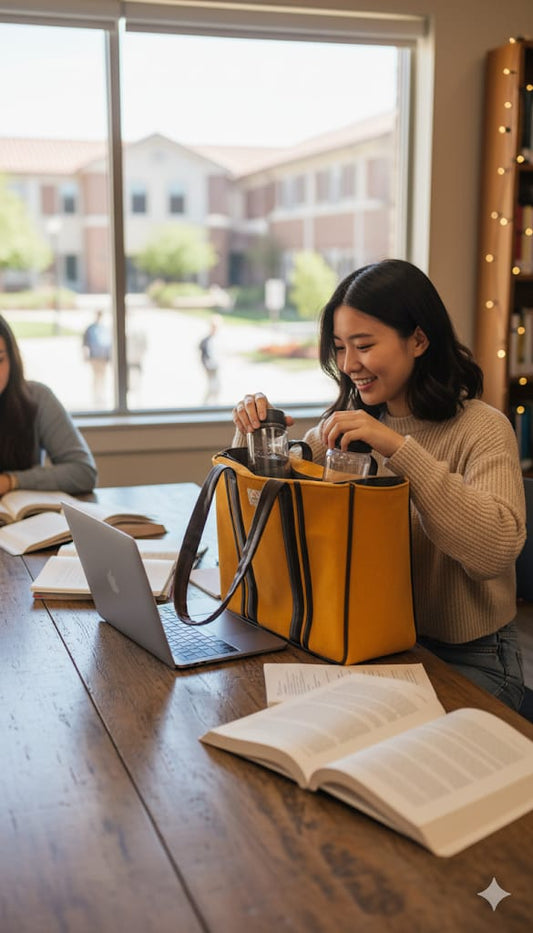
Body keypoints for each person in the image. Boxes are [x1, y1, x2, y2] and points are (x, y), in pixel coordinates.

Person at [231, 259, 527, 711]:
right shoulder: (345, 427)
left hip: (470, 656)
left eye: (364, 345)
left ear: (419, 339)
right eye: (339, 347)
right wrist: (255, 440)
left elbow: (494, 553)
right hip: (365, 643)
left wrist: (398, 449)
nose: (349, 364)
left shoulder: (483, 429)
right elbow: (268, 513)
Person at [0, 315, 97, 495]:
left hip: (23, 519)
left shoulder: (36, 397)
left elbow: (83, 472)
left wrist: (11, 481)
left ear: (12, 360)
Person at [82, 310, 112, 406]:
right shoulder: (93, 328)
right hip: (95, 357)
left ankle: (101, 395)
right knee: (97, 377)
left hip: (102, 357)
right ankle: (96, 395)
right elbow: (85, 343)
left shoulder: (102, 328)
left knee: (101, 377)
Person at [199, 314, 221, 405]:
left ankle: (214, 403)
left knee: (216, 386)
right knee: (212, 385)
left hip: (215, 366)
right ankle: (206, 404)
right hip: (209, 366)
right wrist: (206, 364)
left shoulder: (218, 339)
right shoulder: (206, 341)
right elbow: (203, 353)